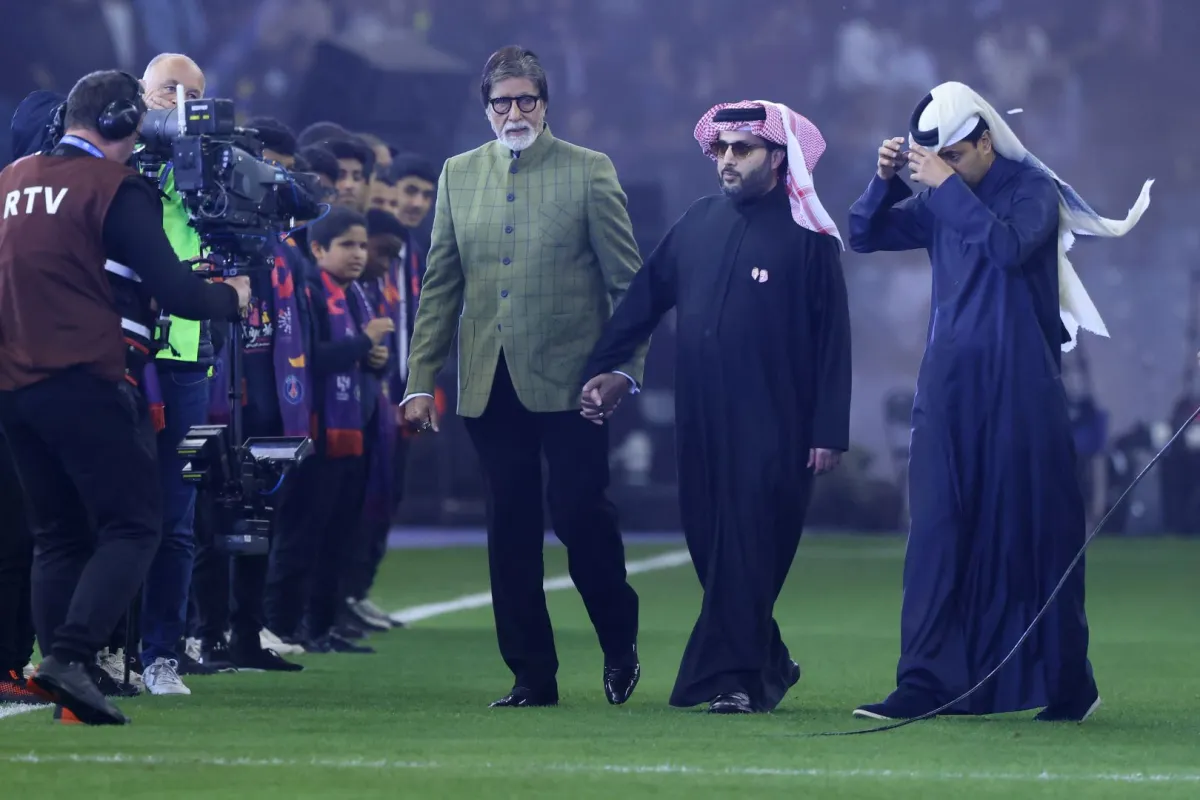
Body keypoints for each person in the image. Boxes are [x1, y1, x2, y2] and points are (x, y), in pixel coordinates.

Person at [847, 81, 1152, 723]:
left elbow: (1009, 246)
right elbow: (863, 235)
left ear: (986, 140)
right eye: (938, 161)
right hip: (949, 388)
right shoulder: (940, 199)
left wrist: (945, 188)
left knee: (1040, 535)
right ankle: (924, 683)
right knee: (934, 533)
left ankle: (1068, 683)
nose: (944, 170)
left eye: (955, 156)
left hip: (1022, 389)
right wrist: (885, 183)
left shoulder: (1032, 190)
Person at [580, 101, 852, 714]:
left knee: (748, 544)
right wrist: (606, 366)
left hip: (778, 421)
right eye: (721, 149)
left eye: (742, 149)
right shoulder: (698, 221)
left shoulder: (810, 235)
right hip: (699, 417)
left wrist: (829, 429)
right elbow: (643, 300)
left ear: (777, 157)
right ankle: (771, 659)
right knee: (709, 544)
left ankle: (730, 681)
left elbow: (834, 339)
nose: (726, 160)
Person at [0, 69, 249, 725]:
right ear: (117, 122)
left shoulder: (12, 180)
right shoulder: (115, 187)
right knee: (136, 523)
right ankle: (72, 657)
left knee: (58, 535)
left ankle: (65, 682)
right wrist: (234, 295)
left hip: (13, 385)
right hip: (83, 374)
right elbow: (179, 292)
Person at [403, 45, 645, 708]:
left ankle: (619, 642)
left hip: (575, 384)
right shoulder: (457, 174)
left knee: (579, 514)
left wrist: (624, 368)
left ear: (545, 104)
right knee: (508, 526)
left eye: (526, 100)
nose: (514, 112)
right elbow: (440, 287)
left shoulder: (590, 172)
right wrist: (420, 378)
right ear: (485, 109)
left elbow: (630, 285)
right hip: (488, 381)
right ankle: (532, 676)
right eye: (501, 102)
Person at [263, 206, 393, 654]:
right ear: (318, 248)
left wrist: (376, 357)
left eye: (362, 245)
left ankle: (322, 626)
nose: (359, 254)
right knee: (301, 535)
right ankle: (282, 626)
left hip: (354, 430)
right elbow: (309, 355)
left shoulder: (355, 295)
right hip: (315, 432)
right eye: (348, 245)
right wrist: (364, 344)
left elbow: (367, 359)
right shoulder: (312, 291)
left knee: (339, 534)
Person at [138, 52, 225, 695]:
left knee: (178, 513)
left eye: (192, 96)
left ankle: (161, 654)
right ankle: (97, 649)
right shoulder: (110, 164)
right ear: (141, 93)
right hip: (120, 354)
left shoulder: (211, 172)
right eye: (169, 89)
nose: (179, 103)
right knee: (108, 507)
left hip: (190, 361)